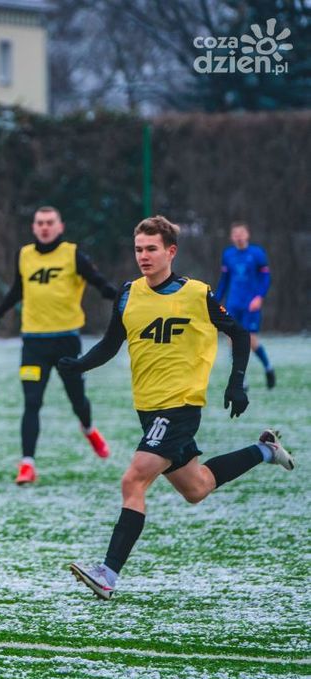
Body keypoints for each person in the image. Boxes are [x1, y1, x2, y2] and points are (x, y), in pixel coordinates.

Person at [61, 216, 294, 600]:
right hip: (149, 409)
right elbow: (110, 344)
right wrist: (79, 365)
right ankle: (265, 449)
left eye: (151, 249)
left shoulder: (197, 294)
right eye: (138, 249)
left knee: (133, 480)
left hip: (180, 406)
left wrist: (236, 382)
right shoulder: (127, 294)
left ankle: (108, 574)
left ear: (171, 251)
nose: (144, 256)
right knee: (197, 487)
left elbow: (237, 332)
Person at [0, 206, 118, 486]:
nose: (45, 227)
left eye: (50, 222)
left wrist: (116, 295)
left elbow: (98, 282)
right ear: (34, 227)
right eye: (40, 223)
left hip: (66, 341)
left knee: (77, 400)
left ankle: (89, 429)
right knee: (32, 402)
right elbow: (18, 289)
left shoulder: (72, 254)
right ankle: (27, 465)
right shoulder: (25, 255)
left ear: (60, 226)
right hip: (33, 342)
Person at [215, 221, 275, 389]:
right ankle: (242, 380)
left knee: (251, 341)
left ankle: (268, 368)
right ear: (231, 237)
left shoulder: (257, 253)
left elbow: (265, 278)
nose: (238, 236)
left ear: (247, 234)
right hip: (233, 304)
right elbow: (224, 281)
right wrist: (215, 300)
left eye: (241, 233)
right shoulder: (228, 255)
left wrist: (259, 297)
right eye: (235, 234)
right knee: (231, 340)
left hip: (250, 305)